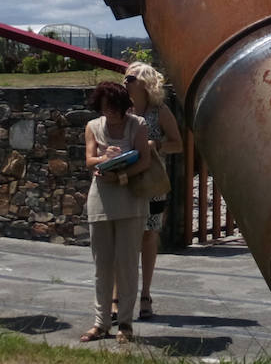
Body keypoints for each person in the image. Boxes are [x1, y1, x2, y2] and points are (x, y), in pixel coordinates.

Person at [81, 79, 149, 345]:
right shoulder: (92, 127)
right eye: (104, 107)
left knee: (127, 264)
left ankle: (125, 323)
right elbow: (88, 160)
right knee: (102, 265)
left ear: (123, 106)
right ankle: (101, 323)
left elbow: (143, 160)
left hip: (130, 200)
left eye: (113, 107)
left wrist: (121, 175)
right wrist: (104, 159)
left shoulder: (138, 125)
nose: (109, 112)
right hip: (100, 199)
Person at [121, 62, 182, 319]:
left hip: (151, 185)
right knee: (122, 239)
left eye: (130, 77)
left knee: (148, 236)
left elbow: (178, 144)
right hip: (123, 181)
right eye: (124, 77)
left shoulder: (160, 111)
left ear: (144, 83)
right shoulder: (121, 109)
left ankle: (145, 294)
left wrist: (156, 144)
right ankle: (118, 297)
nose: (124, 81)